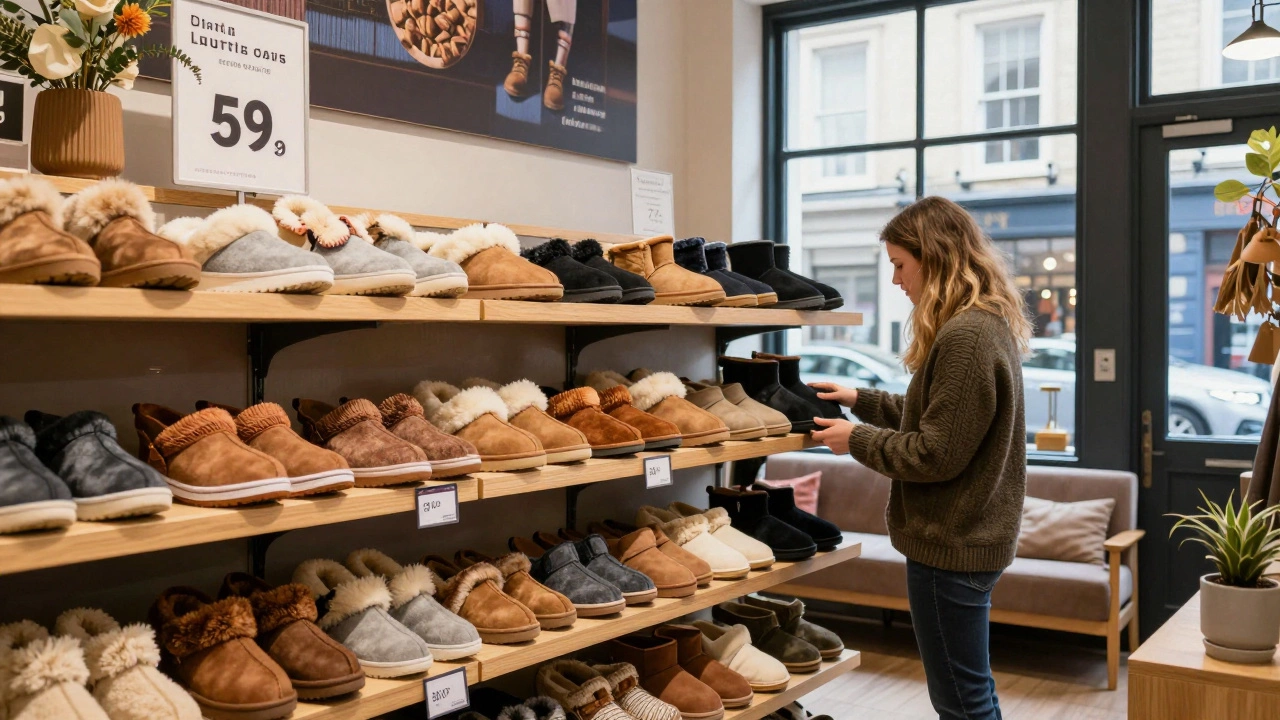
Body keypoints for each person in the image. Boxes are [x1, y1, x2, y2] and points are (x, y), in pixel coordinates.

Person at [809, 196, 1031, 720]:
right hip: (968, 539)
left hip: (948, 544)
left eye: (899, 265)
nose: (895, 281)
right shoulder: (984, 324)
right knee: (971, 692)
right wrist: (858, 399)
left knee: (961, 701)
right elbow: (940, 416)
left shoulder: (967, 336)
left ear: (934, 257)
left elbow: (934, 453)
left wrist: (855, 439)